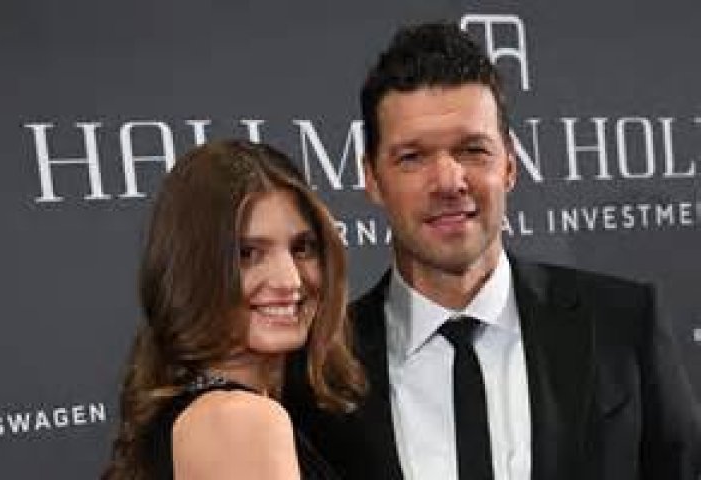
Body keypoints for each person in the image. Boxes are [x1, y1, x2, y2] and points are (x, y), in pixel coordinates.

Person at [286, 22, 701, 480]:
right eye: (412, 157)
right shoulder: (320, 366)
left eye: (472, 150)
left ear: (510, 165)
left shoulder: (623, 324)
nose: (448, 181)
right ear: (371, 178)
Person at [102, 140, 365, 480]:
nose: (290, 280)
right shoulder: (238, 420)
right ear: (191, 271)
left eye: (302, 248)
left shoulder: (199, 412)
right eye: (248, 254)